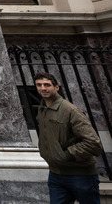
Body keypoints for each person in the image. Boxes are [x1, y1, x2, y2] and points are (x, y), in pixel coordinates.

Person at [34, 71, 102, 204]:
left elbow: (93, 143)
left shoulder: (70, 110)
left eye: (47, 85)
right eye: (39, 85)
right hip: (56, 175)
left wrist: (66, 155)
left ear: (56, 87)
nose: (43, 88)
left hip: (80, 175)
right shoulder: (42, 110)